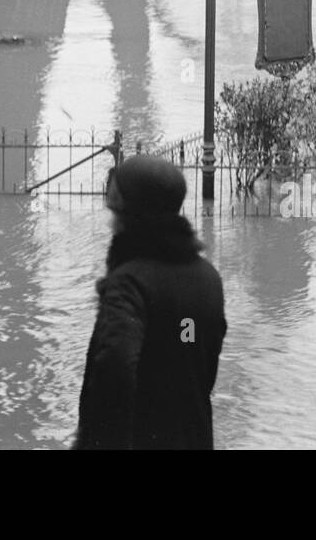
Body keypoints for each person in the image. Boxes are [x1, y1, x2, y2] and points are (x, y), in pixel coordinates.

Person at [73, 155, 227, 450]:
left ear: (128, 213)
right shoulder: (206, 279)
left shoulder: (129, 282)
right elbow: (189, 340)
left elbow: (115, 364)